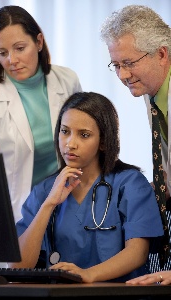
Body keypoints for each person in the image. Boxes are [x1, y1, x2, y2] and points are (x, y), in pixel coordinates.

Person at [9, 91, 164, 283]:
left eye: (84, 135)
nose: (70, 144)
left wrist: (87, 274)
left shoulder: (130, 184)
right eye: (65, 131)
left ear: (104, 142)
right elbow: (18, 266)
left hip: (119, 297)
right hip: (62, 298)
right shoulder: (45, 191)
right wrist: (49, 204)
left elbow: (138, 253)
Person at [0, 5, 82, 223]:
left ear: (38, 42)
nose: (12, 60)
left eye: (20, 48)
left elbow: (86, 139)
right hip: (13, 214)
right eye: (2, 53)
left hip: (66, 204)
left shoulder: (67, 80)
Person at [100, 4, 171, 283]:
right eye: (116, 65)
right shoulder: (151, 87)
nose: (122, 75)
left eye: (129, 63)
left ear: (162, 54)